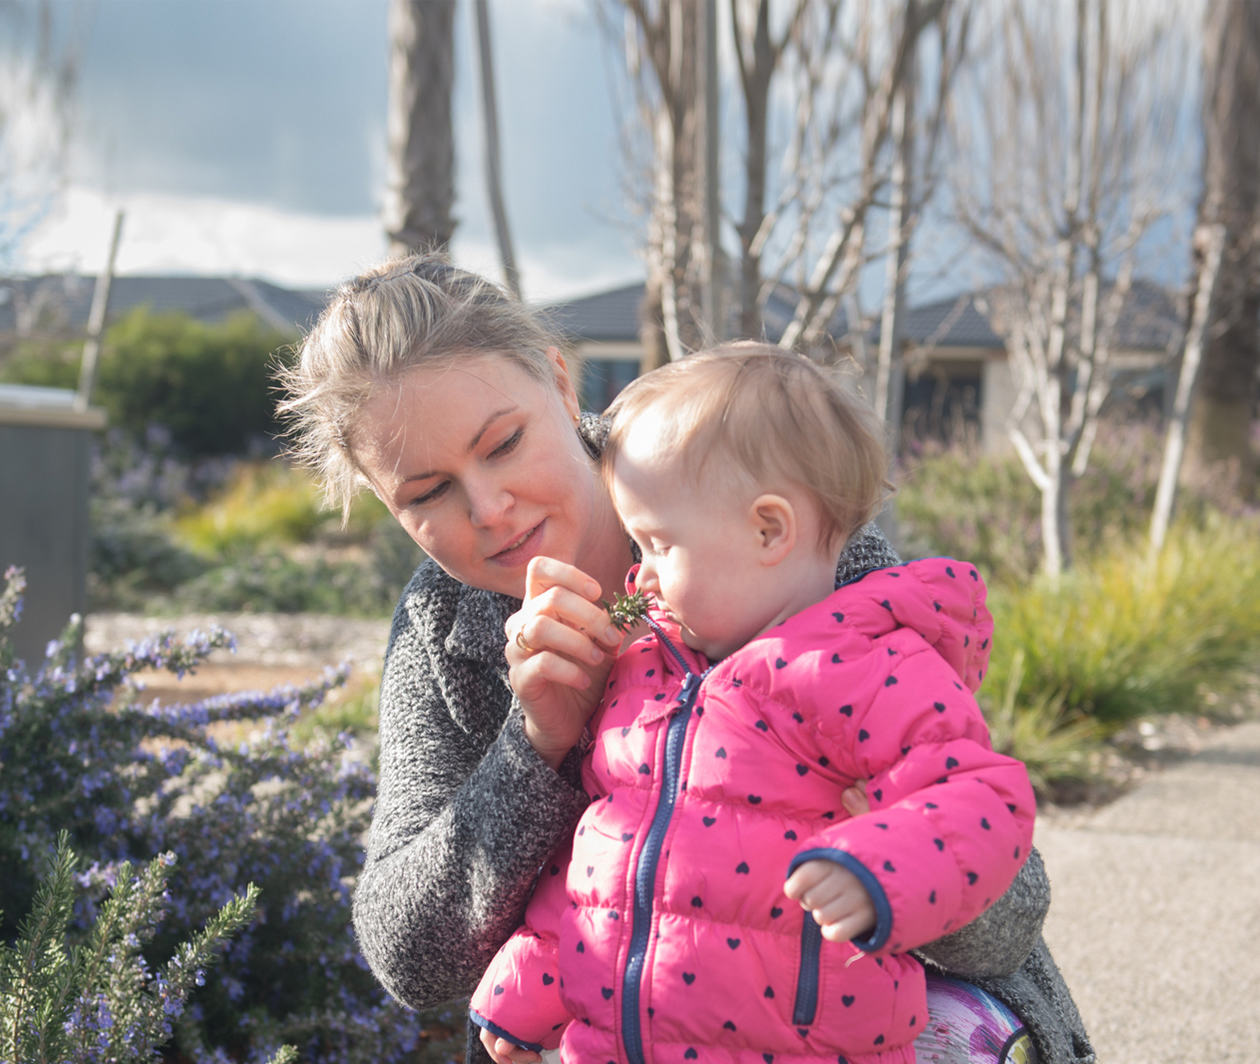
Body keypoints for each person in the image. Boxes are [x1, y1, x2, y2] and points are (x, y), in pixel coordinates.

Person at [273, 253, 1093, 1064]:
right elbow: (410, 959)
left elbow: (1008, 918)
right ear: (387, 505)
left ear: (562, 385)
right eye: (426, 494)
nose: (489, 509)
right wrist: (536, 748)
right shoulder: (442, 626)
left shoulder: (769, 523)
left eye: (505, 444)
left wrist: (844, 813)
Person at [467, 345, 1037, 1064]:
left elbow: (980, 795)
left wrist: (879, 868)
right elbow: (606, 845)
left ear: (769, 529)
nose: (637, 572)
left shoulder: (866, 666)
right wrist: (541, 972)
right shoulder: (645, 668)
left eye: (657, 543)